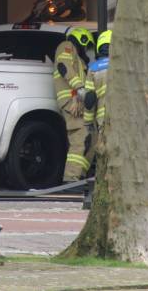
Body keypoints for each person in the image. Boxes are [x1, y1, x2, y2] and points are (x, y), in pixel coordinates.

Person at [53, 26, 94, 183]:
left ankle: (80, 175)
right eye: (86, 45)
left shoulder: (80, 61)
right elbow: (63, 66)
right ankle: (70, 179)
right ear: (82, 39)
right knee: (80, 137)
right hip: (72, 103)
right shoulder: (67, 47)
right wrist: (80, 89)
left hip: (79, 103)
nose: (86, 50)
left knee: (92, 138)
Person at [84, 29, 111, 143]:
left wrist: (88, 122)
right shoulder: (121, 66)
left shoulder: (93, 68)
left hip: (103, 120)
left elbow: (89, 99)